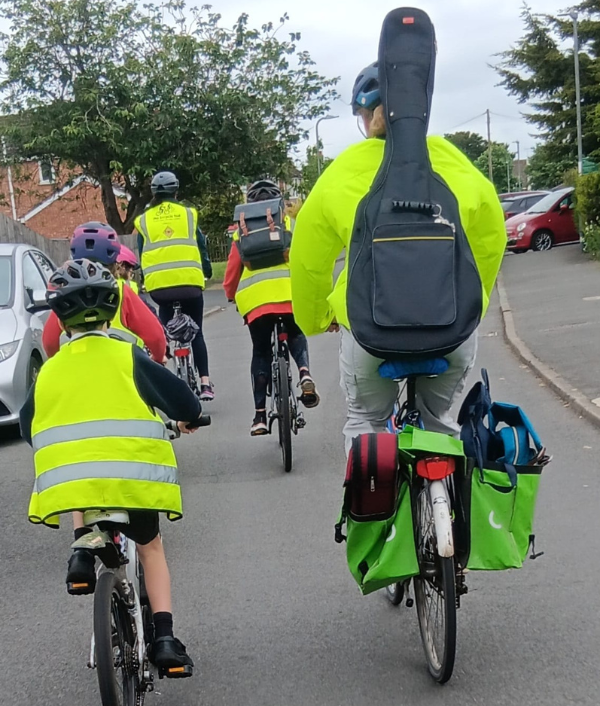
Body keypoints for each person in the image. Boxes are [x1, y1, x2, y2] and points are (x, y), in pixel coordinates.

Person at [289, 64, 507, 453]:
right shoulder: (453, 161)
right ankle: (447, 507)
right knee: (439, 425)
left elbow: (308, 261)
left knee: (367, 422)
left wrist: (317, 319)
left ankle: (371, 507)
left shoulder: (342, 172)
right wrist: (475, 303)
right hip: (451, 330)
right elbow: (491, 241)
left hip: (371, 334)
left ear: (365, 114)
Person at [21, 259, 203, 672]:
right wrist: (188, 418)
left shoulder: (49, 371)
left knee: (81, 473)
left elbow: (28, 426)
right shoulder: (129, 357)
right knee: (151, 548)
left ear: (62, 322)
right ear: (111, 311)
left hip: (73, 486)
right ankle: (166, 641)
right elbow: (185, 403)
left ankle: (82, 553)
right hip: (133, 480)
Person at [223, 179, 320, 436]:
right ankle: (304, 373)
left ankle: (259, 417)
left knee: (261, 351)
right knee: (296, 333)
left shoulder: (239, 232)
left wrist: (231, 294)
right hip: (289, 294)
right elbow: (306, 259)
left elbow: (232, 271)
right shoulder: (290, 225)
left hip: (256, 301)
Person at [134, 171, 214, 401]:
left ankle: (165, 379)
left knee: (165, 330)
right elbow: (201, 245)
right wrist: (206, 271)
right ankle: (205, 383)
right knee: (197, 331)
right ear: (176, 190)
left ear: (154, 194)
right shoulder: (188, 215)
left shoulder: (144, 221)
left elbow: (142, 253)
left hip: (160, 289)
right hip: (190, 285)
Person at [43, 222, 167, 363]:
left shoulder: (66, 294)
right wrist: (156, 358)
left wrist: (61, 364)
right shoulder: (121, 290)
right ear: (115, 262)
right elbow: (156, 336)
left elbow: (49, 341)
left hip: (79, 368)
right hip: (123, 368)